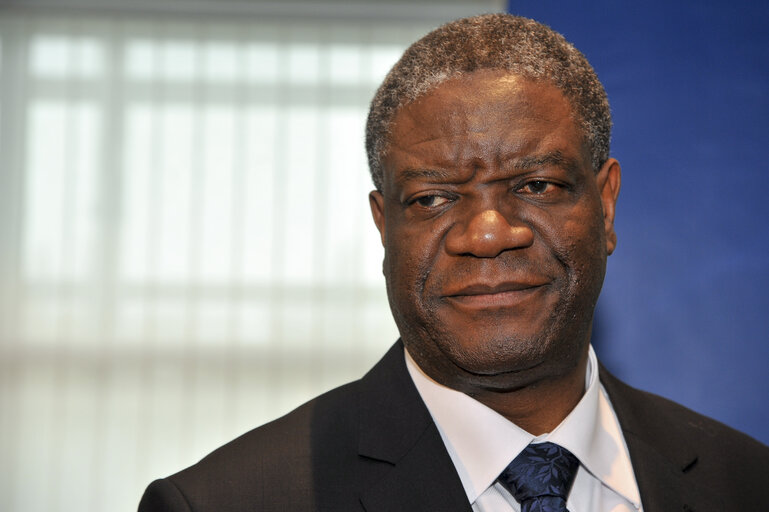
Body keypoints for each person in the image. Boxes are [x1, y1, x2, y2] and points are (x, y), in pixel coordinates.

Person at [138, 13, 769, 512]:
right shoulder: (226, 501)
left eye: (537, 185)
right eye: (434, 198)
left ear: (605, 207)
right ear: (385, 227)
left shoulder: (746, 483)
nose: (488, 235)